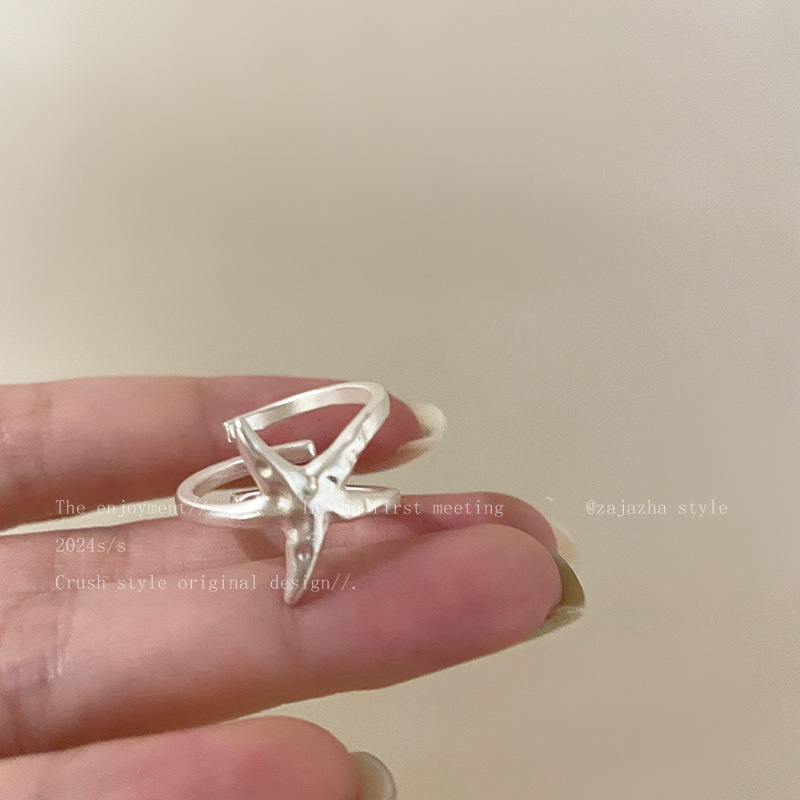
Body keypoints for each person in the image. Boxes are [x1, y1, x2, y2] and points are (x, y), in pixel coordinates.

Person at [0, 375, 583, 799]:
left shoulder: (314, 488)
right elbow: (208, 498)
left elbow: (340, 482)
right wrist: (256, 448)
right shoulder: (299, 490)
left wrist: (282, 459)